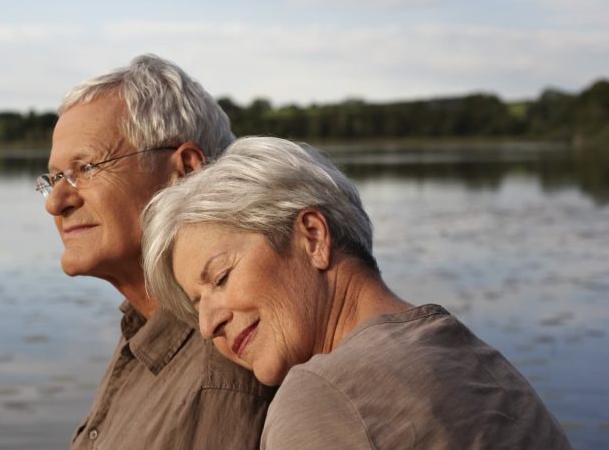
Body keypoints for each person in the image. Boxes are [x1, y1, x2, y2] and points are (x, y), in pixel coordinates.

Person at [142, 136, 572, 450]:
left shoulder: (323, 397)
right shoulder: (480, 363)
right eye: (197, 303)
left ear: (312, 237)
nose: (207, 324)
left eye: (219, 278)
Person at [38, 55, 274, 449]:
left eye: (85, 169)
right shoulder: (144, 327)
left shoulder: (223, 369)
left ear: (185, 170)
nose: (55, 202)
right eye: (54, 178)